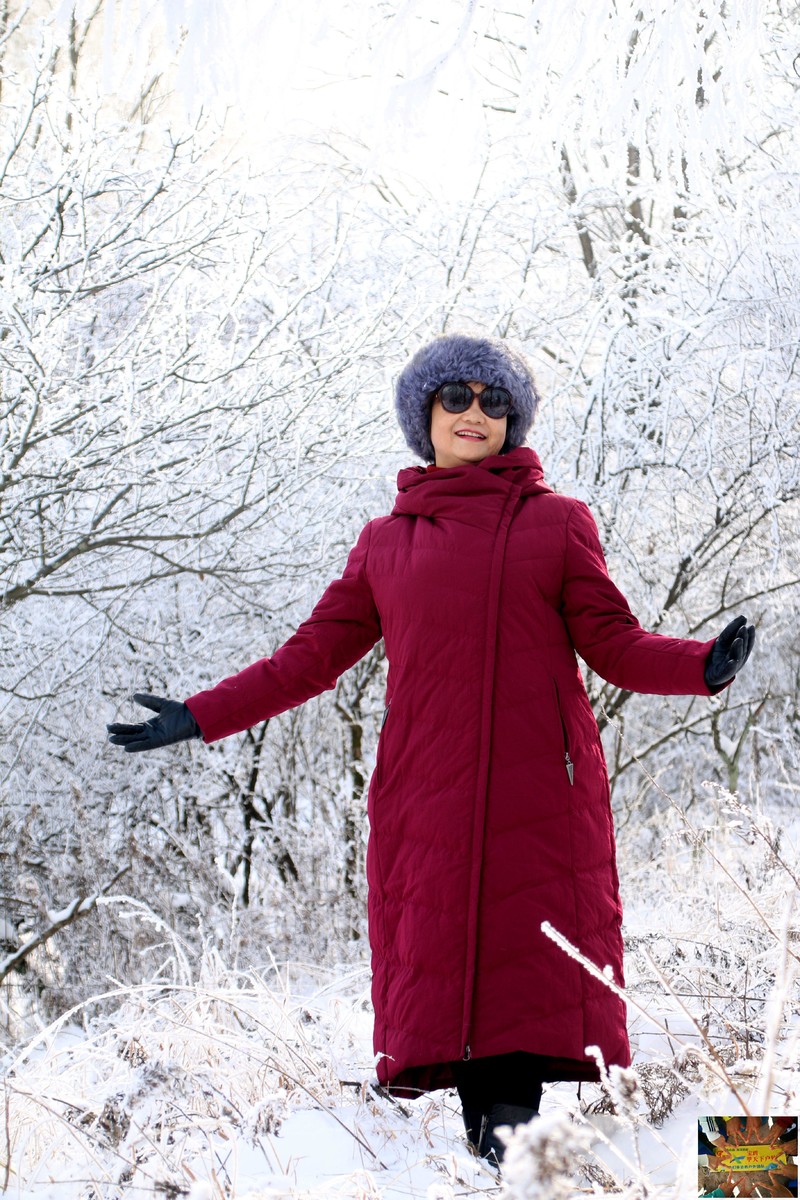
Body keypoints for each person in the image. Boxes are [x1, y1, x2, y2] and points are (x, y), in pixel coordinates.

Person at [107, 334, 756, 1167]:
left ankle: (568, 1167)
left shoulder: (557, 523)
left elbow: (614, 642)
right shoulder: (385, 543)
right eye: (456, 397)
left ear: (514, 420)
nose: (475, 413)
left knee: (524, 1006)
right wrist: (200, 716)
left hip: (539, 803)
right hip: (429, 803)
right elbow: (306, 660)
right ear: (424, 415)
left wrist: (701, 666)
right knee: (461, 1014)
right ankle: (512, 1169)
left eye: (494, 400)